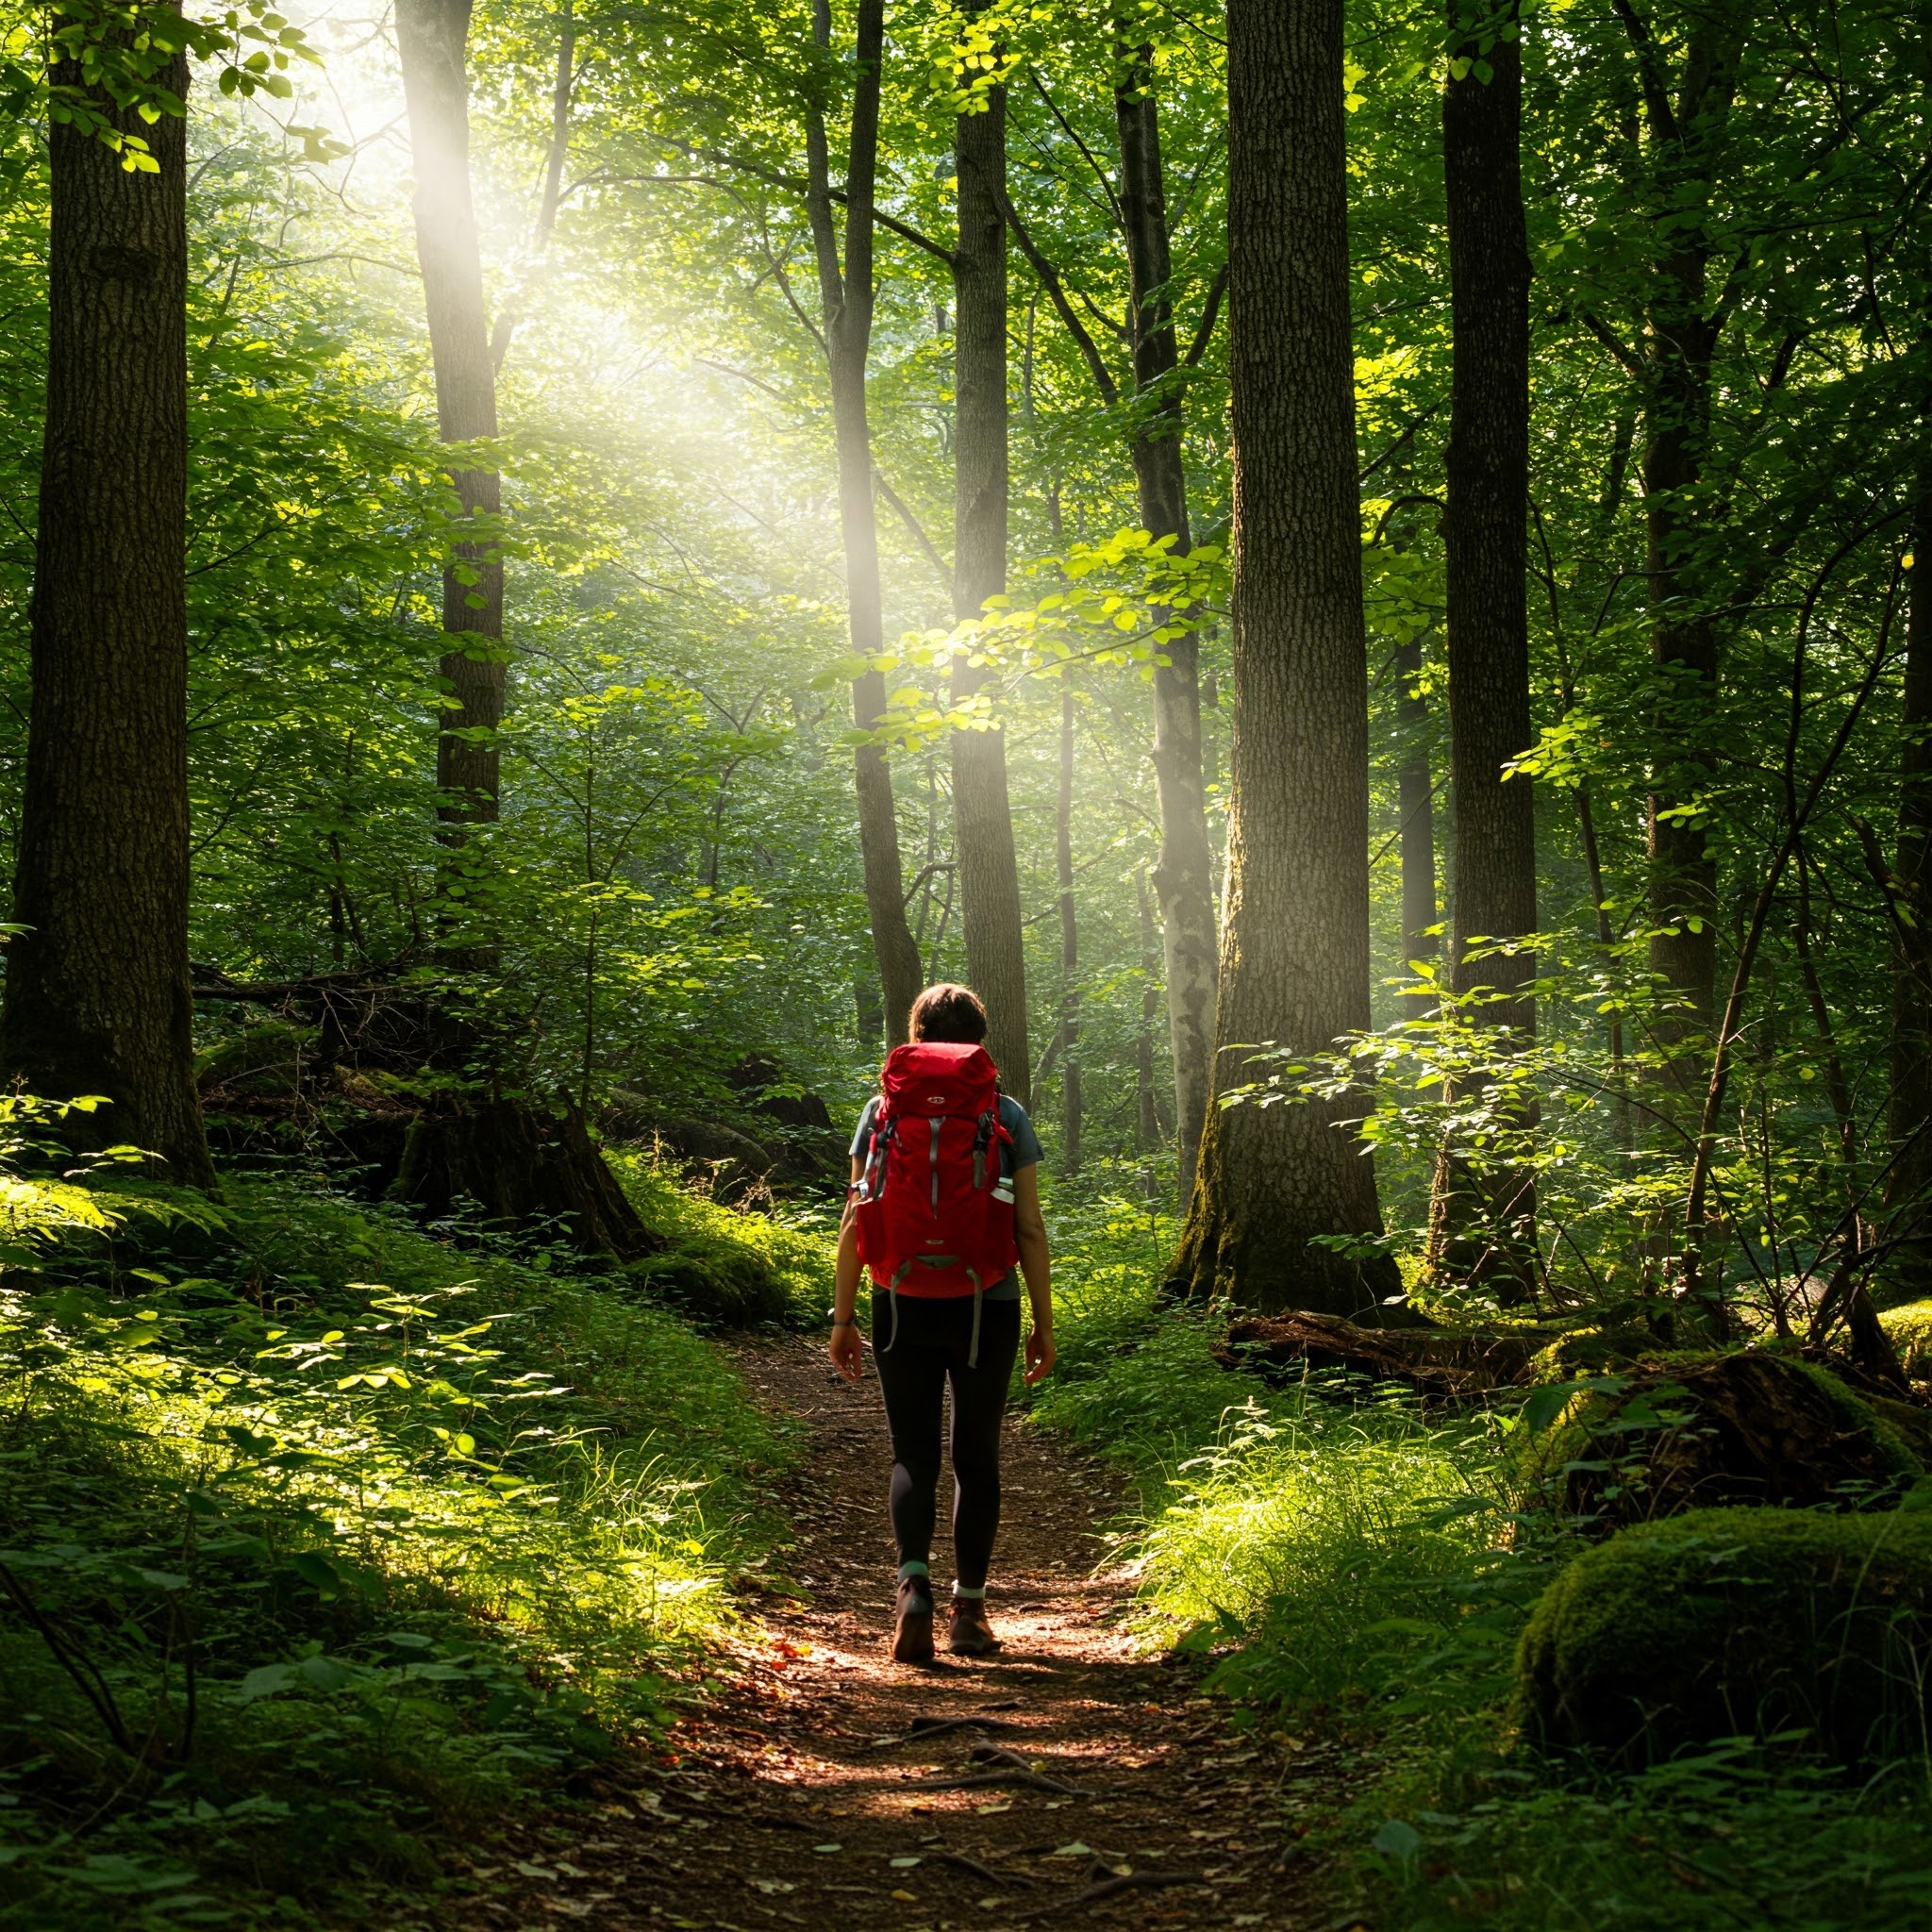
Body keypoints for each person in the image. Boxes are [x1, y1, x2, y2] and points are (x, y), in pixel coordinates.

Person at [828, 982, 1055, 1662]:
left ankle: (912, 1593)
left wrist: (843, 1318)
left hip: (899, 1297)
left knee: (913, 1454)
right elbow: (1029, 1228)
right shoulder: (1005, 1112)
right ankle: (970, 1612)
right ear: (980, 1039)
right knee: (975, 1456)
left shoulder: (881, 1110)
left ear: (917, 1035)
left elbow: (855, 1220)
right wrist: (1044, 1325)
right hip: (988, 1301)